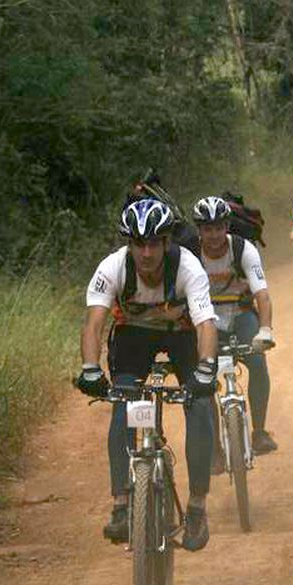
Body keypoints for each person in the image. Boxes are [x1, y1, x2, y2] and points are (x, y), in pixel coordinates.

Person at [76, 199, 218, 551]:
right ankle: (122, 506)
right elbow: (94, 324)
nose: (147, 252)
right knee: (122, 401)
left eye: (155, 242)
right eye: (139, 243)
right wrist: (91, 369)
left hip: (182, 335)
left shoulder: (188, 267)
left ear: (168, 241)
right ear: (129, 244)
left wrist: (205, 369)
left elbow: (205, 325)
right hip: (134, 337)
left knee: (199, 405)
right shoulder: (112, 267)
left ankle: (197, 507)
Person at [192, 195, 277, 458]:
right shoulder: (190, 256)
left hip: (240, 315)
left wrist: (265, 331)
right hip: (206, 322)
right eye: (207, 229)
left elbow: (262, 294)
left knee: (258, 363)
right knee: (204, 380)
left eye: (219, 228)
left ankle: (260, 432)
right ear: (199, 231)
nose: (214, 235)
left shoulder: (244, 250)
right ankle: (215, 448)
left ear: (227, 227)